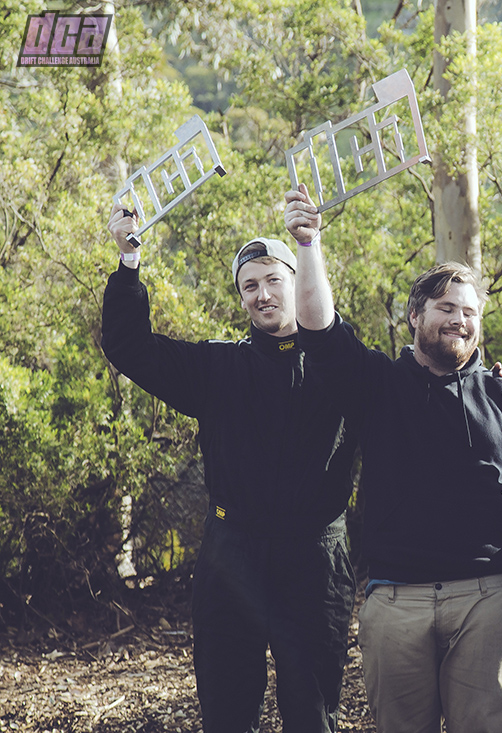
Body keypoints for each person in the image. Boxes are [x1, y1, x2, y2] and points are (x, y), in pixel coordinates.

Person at [284, 185, 502, 733]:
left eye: (469, 312)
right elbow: (318, 330)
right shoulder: (376, 384)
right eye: (446, 308)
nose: (459, 320)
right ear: (414, 315)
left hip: (488, 598)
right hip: (396, 599)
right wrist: (308, 245)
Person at [101, 204, 357, 733]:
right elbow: (130, 346)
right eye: (249, 286)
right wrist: (128, 263)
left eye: (273, 280)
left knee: (312, 713)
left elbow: (413, 391)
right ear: (241, 298)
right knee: (227, 710)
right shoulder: (217, 367)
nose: (262, 295)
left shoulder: (341, 365)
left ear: (297, 280)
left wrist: (494, 385)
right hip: (231, 555)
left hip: (315, 560)